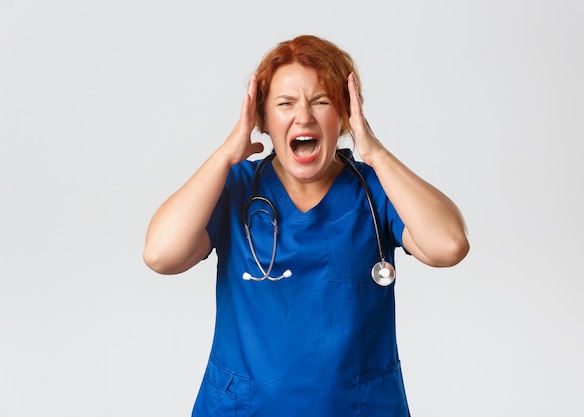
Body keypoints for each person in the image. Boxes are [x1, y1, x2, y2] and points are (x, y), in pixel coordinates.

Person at [143, 34, 469, 417]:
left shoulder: (376, 191)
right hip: (247, 408)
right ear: (262, 118)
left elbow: (448, 245)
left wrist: (375, 152)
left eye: (322, 102)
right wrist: (223, 156)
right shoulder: (235, 187)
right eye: (285, 103)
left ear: (345, 115)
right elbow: (161, 255)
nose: (304, 116)